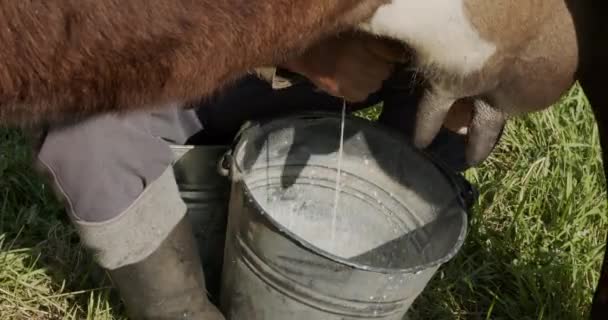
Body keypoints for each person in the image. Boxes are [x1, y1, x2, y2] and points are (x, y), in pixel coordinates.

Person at [30, 32, 474, 320]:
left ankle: (397, 236)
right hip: (202, 66)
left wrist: (491, 71)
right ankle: (180, 308)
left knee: (464, 75)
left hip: (373, 59)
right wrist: (299, 50)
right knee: (82, 131)